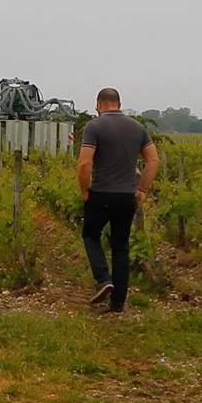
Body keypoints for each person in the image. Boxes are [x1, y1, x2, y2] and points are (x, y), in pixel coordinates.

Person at [77, 88, 159, 313]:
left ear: (100, 104)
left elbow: (84, 164)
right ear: (119, 104)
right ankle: (118, 304)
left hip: (101, 193)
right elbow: (153, 160)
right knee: (120, 246)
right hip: (127, 197)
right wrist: (142, 189)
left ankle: (104, 279)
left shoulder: (94, 127)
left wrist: (85, 191)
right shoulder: (137, 128)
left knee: (90, 234)